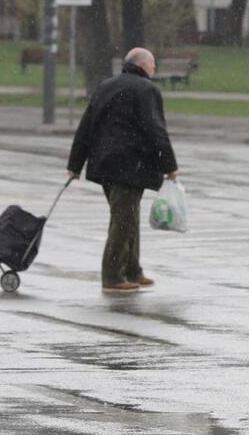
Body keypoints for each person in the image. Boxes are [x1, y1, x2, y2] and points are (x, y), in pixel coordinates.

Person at [66, 47, 178, 294]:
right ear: (143, 65)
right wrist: (170, 166)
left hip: (105, 163)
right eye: (153, 64)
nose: (154, 69)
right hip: (129, 164)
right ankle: (113, 276)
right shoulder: (146, 90)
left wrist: (75, 164)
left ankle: (132, 270)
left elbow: (86, 125)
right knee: (123, 220)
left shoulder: (106, 85)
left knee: (128, 217)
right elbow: (156, 129)